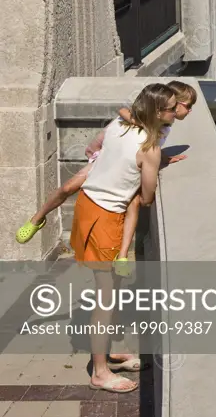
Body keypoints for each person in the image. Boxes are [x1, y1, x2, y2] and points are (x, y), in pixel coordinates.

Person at [15, 81, 197, 272]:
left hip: (126, 165)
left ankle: (123, 256)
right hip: (107, 160)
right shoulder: (153, 122)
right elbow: (124, 112)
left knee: (133, 204)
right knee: (68, 187)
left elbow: (149, 151)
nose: (189, 111)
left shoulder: (164, 124)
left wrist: (161, 158)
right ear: (166, 108)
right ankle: (37, 219)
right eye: (187, 105)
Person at [69, 82, 180, 393]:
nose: (175, 112)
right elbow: (146, 196)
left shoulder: (120, 125)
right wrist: (157, 166)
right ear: (159, 112)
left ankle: (108, 353)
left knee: (111, 291)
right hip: (106, 219)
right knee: (105, 299)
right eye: (172, 108)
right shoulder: (150, 149)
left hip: (87, 207)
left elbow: (105, 139)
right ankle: (100, 373)